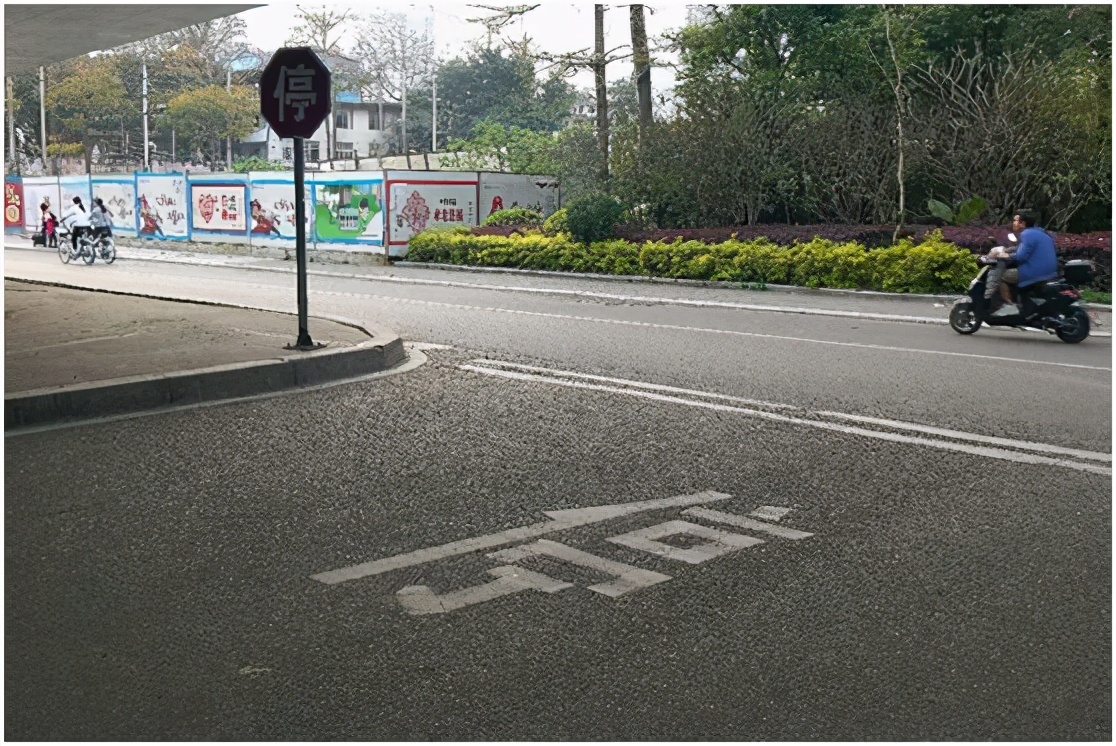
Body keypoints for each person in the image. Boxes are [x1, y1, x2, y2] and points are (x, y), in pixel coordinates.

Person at [993, 211, 1059, 317]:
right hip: (1049, 270)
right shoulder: (1041, 232)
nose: (1014, 223)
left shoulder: (1026, 234)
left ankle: (1009, 305)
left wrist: (1007, 256)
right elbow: (1025, 249)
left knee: (1001, 277)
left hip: (1034, 271)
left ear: (1023, 223)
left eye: (1016, 221)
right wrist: (1010, 251)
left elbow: (1021, 256)